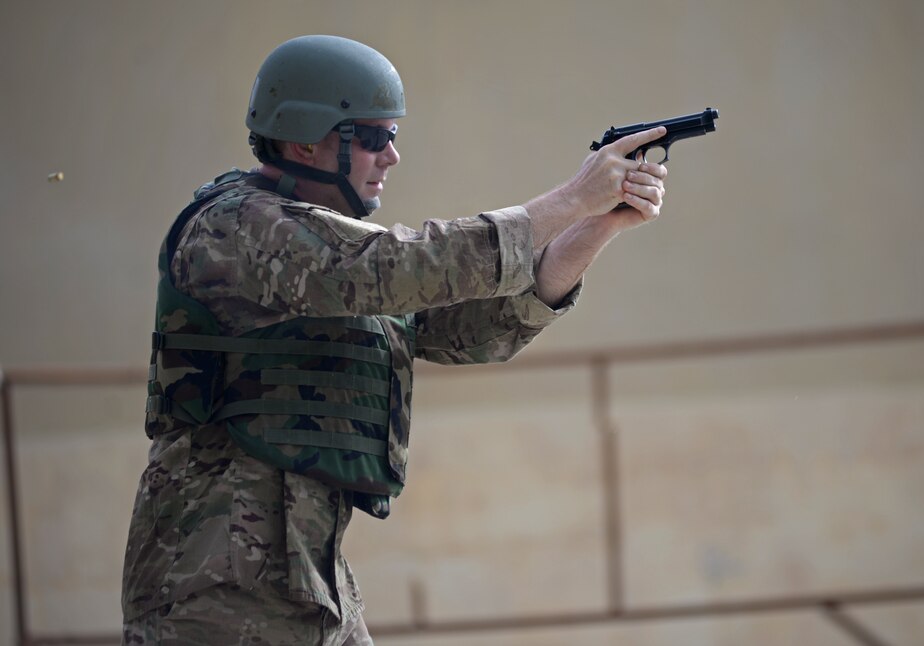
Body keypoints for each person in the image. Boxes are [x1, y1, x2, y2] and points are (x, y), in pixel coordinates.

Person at [121, 34, 667, 645]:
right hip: (213, 585)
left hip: (309, 582)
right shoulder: (235, 227)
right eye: (374, 138)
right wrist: (568, 198)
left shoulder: (336, 266)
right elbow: (391, 268)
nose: (391, 157)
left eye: (393, 137)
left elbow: (463, 330)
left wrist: (594, 227)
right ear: (305, 139)